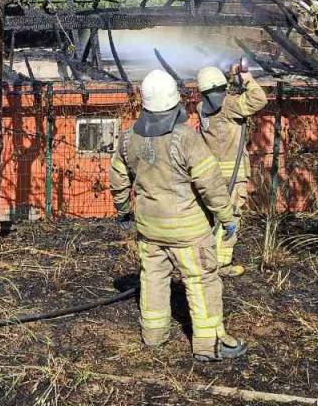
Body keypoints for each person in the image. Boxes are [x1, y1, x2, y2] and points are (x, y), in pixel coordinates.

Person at [110, 69, 248, 362]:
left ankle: (154, 334)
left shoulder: (127, 139)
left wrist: (123, 209)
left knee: (153, 278)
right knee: (202, 280)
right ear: (175, 101)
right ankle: (209, 345)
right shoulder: (186, 138)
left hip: (149, 229)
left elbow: (119, 177)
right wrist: (226, 216)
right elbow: (210, 183)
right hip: (188, 232)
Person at [195, 63, 268, 277]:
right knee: (231, 217)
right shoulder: (229, 105)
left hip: (210, 175)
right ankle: (221, 264)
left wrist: (229, 76)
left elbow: (217, 92)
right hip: (232, 177)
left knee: (209, 217)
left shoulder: (202, 108)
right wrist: (245, 77)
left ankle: (203, 260)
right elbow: (259, 99)